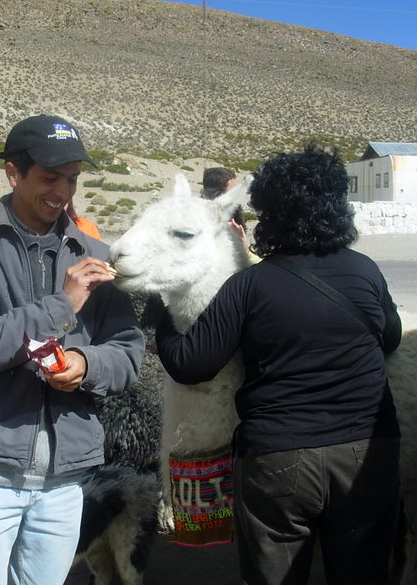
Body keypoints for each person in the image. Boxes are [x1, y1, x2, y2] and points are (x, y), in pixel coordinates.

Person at [156, 143, 402, 585]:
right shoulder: (365, 271)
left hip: (279, 459)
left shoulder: (250, 285)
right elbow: (391, 336)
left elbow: (192, 364)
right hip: (368, 450)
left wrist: (163, 316)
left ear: (269, 213)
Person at [0, 114, 144, 585]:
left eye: (72, 178)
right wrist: (61, 305)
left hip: (64, 481)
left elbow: (129, 352)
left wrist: (86, 364)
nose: (62, 192)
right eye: (50, 178)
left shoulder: (96, 255)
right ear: (13, 173)